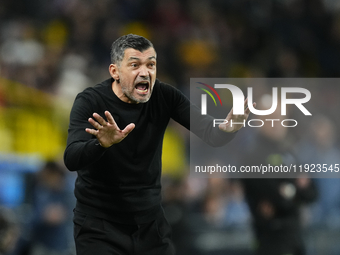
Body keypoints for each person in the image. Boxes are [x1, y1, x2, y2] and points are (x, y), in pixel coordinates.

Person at [64, 34, 252, 255]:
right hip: (100, 226)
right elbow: (72, 158)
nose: (145, 72)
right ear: (115, 71)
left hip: (149, 224)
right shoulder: (90, 101)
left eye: (150, 64)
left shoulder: (165, 96)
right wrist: (101, 144)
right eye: (135, 65)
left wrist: (227, 129)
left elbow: (211, 133)